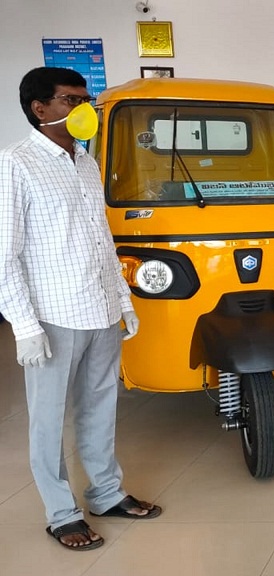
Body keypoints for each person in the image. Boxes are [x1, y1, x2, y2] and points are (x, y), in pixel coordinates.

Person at [0, 67, 162, 551]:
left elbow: (101, 241)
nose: (84, 110)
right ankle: (61, 513)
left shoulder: (86, 162)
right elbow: (5, 253)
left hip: (99, 309)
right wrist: (24, 326)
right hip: (52, 316)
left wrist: (123, 300)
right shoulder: (16, 163)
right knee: (48, 419)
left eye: (86, 100)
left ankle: (106, 493)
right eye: (72, 100)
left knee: (100, 407)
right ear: (40, 108)